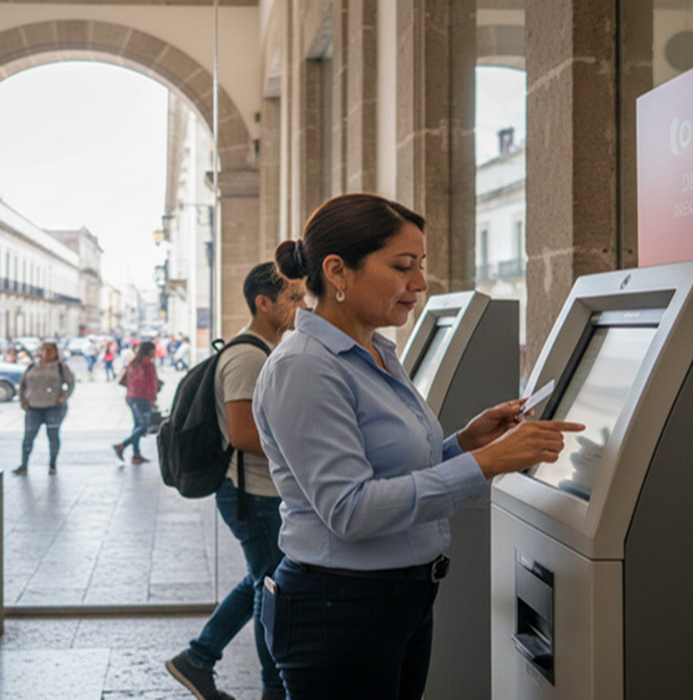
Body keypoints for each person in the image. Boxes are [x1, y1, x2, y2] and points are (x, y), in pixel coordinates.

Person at [252, 194, 585, 699]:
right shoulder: (305, 366)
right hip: (340, 613)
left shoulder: (375, 350)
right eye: (403, 266)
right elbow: (350, 509)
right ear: (338, 271)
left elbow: (394, 473)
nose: (421, 283)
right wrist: (482, 463)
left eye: (421, 265)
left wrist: (465, 444)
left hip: (399, 603)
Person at [165, 263, 307, 700]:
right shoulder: (248, 357)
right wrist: (308, 454)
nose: (302, 306)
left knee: (259, 579)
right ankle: (272, 688)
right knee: (271, 588)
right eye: (293, 298)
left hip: (259, 493)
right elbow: (245, 435)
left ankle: (198, 658)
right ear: (264, 303)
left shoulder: (263, 350)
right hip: (252, 496)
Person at [13, 340, 75, 476]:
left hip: (53, 407)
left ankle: (52, 464)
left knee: (53, 435)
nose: (46, 353)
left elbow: (71, 382)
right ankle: (24, 465)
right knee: (28, 436)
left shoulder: (60, 367)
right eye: (44, 350)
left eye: (49, 350)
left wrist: (64, 396)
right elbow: (22, 384)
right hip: (34, 407)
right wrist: (23, 400)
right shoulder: (32, 367)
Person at [113, 340, 159, 465]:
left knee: (137, 425)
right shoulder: (148, 364)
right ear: (150, 351)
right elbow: (151, 384)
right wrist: (152, 400)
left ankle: (136, 454)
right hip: (142, 398)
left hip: (131, 397)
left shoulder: (133, 363)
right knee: (145, 425)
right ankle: (122, 446)